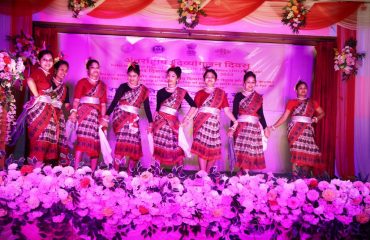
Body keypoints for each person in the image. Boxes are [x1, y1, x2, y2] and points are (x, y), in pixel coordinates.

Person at [269, 80, 325, 176]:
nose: (303, 90)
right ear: (296, 90)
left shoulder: (312, 102)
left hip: (307, 131)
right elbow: (284, 117)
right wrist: (273, 127)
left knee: (306, 154)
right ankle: (295, 178)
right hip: (294, 131)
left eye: (305, 88)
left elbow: (322, 113)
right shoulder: (292, 102)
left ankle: (303, 179)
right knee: (296, 154)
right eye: (300, 88)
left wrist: (316, 118)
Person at [105, 62, 153, 172]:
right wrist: (106, 116)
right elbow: (114, 102)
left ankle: (129, 174)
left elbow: (147, 108)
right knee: (121, 147)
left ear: (139, 76)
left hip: (133, 121)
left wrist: (151, 122)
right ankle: (115, 173)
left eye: (134, 76)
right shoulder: (123, 87)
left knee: (135, 148)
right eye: (130, 76)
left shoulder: (143, 90)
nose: (131, 78)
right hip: (121, 118)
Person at [191, 68, 238, 172]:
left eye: (212, 77)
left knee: (213, 151)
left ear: (215, 79)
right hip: (201, 124)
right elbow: (195, 109)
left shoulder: (221, 94)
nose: (210, 79)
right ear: (204, 79)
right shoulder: (199, 93)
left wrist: (235, 121)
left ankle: (206, 173)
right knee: (202, 149)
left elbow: (227, 111)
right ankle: (202, 173)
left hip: (214, 126)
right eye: (207, 77)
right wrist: (187, 120)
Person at [152, 66, 197, 166]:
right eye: (168, 76)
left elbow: (194, 106)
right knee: (158, 145)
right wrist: (151, 124)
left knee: (177, 147)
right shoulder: (160, 92)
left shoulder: (182, 92)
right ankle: (156, 171)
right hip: (160, 123)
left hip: (173, 124)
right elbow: (157, 109)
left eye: (173, 76)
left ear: (178, 79)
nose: (170, 78)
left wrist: (186, 119)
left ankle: (179, 172)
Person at [69, 59, 107, 171]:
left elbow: (103, 105)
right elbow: (76, 100)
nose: (96, 70)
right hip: (83, 116)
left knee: (95, 145)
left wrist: (103, 120)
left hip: (95, 117)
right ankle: (76, 170)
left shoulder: (102, 86)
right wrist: (74, 112)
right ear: (88, 70)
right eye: (93, 67)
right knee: (81, 142)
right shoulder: (82, 82)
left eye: (97, 67)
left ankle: (93, 173)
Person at [229, 71, 270, 171]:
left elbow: (261, 114)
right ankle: (243, 174)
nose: (251, 84)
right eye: (248, 82)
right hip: (241, 128)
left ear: (255, 83)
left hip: (253, 129)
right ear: (244, 83)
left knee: (249, 152)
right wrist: (231, 128)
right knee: (242, 151)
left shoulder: (258, 98)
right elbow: (234, 113)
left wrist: (265, 128)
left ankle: (244, 175)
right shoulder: (238, 96)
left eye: (253, 82)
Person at [26, 50, 60, 165]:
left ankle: (42, 168)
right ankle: (34, 168)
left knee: (47, 137)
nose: (47, 62)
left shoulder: (49, 75)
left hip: (48, 108)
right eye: (44, 60)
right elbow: (29, 80)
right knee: (39, 137)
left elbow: (51, 93)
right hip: (39, 110)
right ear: (39, 61)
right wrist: (37, 96)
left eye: (50, 60)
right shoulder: (38, 72)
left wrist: (52, 97)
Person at [51, 60, 71, 166]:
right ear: (55, 70)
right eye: (62, 70)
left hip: (59, 115)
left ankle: (56, 167)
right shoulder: (48, 82)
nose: (64, 72)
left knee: (60, 140)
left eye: (66, 71)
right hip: (47, 114)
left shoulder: (65, 88)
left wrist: (74, 111)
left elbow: (67, 105)